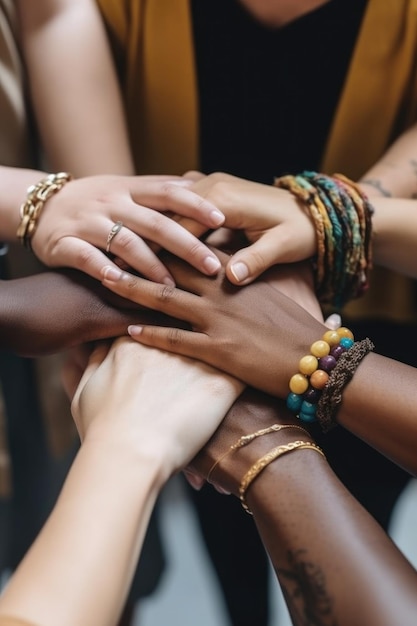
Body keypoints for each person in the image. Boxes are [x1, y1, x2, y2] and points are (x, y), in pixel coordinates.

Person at [13, 1, 417, 622]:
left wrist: (338, 225)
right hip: (212, 307)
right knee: (224, 526)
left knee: (367, 487)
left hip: (372, 318)